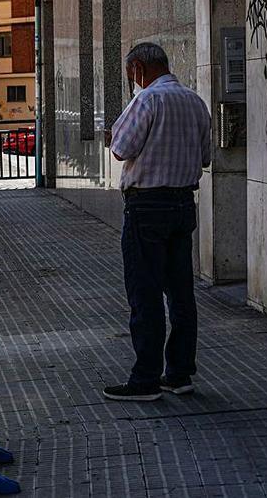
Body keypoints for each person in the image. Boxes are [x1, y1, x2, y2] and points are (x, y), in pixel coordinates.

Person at [103, 42, 211, 402]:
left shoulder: (147, 100)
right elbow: (206, 155)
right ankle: (179, 373)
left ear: (138, 68)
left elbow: (121, 148)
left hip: (146, 207)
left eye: (130, 73)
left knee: (145, 293)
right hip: (183, 204)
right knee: (181, 293)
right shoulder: (195, 101)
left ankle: (145, 378)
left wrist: (114, 137)